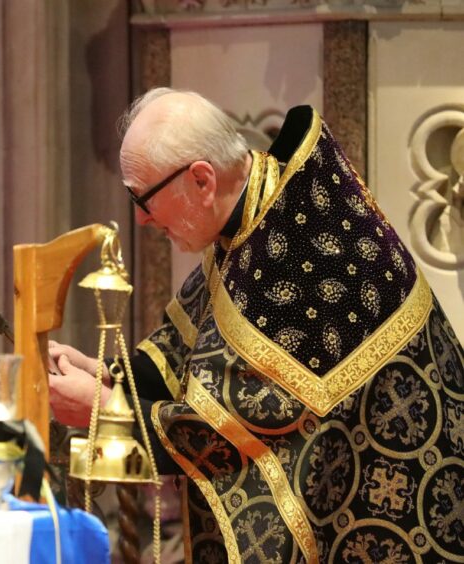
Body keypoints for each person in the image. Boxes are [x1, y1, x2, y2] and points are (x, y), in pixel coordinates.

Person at [49, 89, 464, 563]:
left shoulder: (302, 247)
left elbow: (234, 428)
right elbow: (189, 352)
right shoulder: (255, 215)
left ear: (202, 181)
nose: (141, 219)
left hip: (391, 506)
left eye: (143, 199)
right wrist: (109, 373)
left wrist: (106, 409)